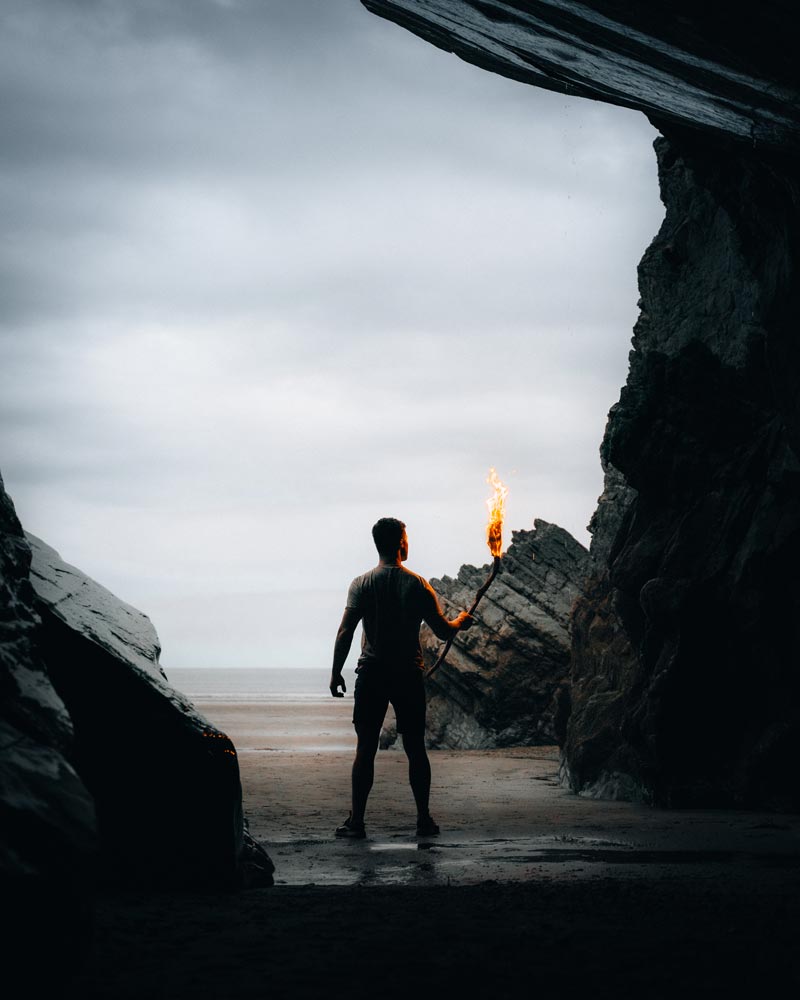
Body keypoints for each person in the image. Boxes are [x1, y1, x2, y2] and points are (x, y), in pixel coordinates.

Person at [329, 517, 473, 839]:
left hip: (372, 672)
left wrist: (336, 671)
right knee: (415, 748)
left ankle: (358, 823)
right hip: (407, 674)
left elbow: (345, 632)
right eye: (407, 538)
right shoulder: (418, 585)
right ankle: (423, 819)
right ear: (399, 544)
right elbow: (442, 630)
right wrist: (460, 621)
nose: (409, 543)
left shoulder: (361, 584)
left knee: (365, 748)